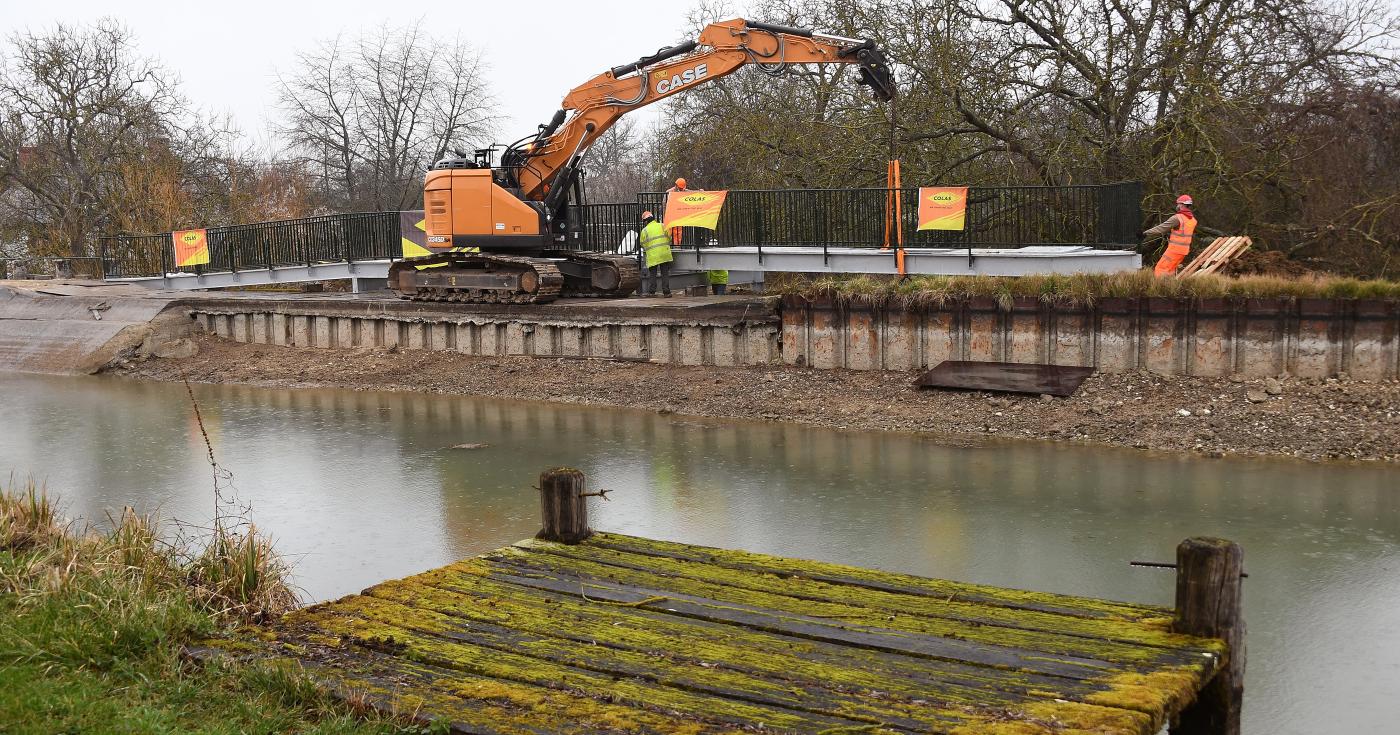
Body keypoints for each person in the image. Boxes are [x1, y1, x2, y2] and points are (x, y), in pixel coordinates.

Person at [1142, 194, 1198, 277]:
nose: (1177, 206)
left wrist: (1145, 233)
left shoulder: (1177, 218)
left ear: (1182, 205)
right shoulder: (1193, 220)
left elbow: (1162, 228)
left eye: (1178, 204)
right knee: (1170, 271)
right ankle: (1170, 289)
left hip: (1174, 250)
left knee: (1160, 269)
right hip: (1184, 251)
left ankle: (1160, 289)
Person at [638, 210, 673, 297]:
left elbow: (642, 243)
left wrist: (648, 249)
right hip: (664, 253)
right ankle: (666, 292)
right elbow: (669, 237)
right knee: (664, 273)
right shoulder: (662, 226)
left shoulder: (645, 231)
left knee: (652, 273)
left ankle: (652, 292)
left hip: (653, 256)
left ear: (646, 221)